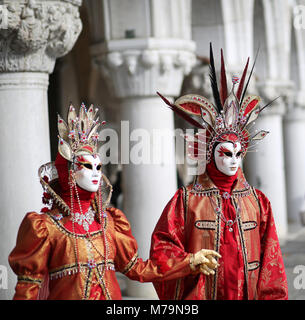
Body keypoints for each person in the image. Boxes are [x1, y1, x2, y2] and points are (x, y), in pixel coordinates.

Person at [9, 103, 220, 300]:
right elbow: (28, 287)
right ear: (70, 173)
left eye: (99, 167)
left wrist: (189, 261)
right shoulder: (45, 227)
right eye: (87, 166)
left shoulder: (109, 223)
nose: (96, 173)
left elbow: (138, 269)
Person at [150, 45, 288, 300]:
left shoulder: (258, 202)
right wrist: (190, 261)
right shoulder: (185, 201)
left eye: (238, 153)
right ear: (209, 152)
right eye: (225, 152)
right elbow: (162, 250)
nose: (233, 160)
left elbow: (272, 262)